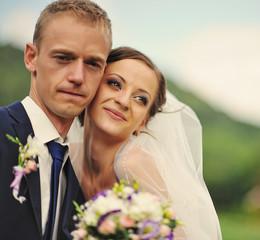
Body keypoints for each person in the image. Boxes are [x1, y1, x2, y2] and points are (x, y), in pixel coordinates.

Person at [69, 46, 223, 239]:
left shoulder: (132, 163)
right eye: (115, 84)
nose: (124, 101)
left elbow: (174, 235)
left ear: (142, 122)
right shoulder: (67, 156)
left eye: (140, 99)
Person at [0, 0, 112, 239]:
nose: (78, 77)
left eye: (93, 63)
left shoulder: (86, 173)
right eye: (63, 57)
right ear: (31, 57)